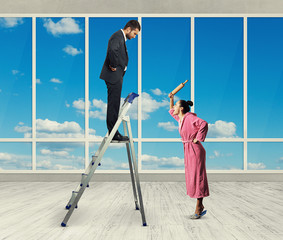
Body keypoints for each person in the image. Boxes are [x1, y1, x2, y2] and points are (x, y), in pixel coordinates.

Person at [168, 93, 210, 219]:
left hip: (195, 149)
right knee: (192, 176)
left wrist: (198, 138)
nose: (174, 107)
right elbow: (171, 111)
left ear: (181, 108)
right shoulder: (181, 119)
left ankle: (199, 206)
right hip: (188, 149)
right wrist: (172, 99)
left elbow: (204, 123)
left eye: (176, 105)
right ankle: (199, 205)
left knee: (198, 177)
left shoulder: (190, 118)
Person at [100, 20, 141, 141]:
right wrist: (113, 65)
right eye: (134, 33)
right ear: (128, 29)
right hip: (113, 75)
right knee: (113, 104)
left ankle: (113, 132)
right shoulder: (117, 36)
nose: (134, 37)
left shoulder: (120, 38)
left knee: (115, 103)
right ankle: (113, 133)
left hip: (116, 76)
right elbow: (113, 50)